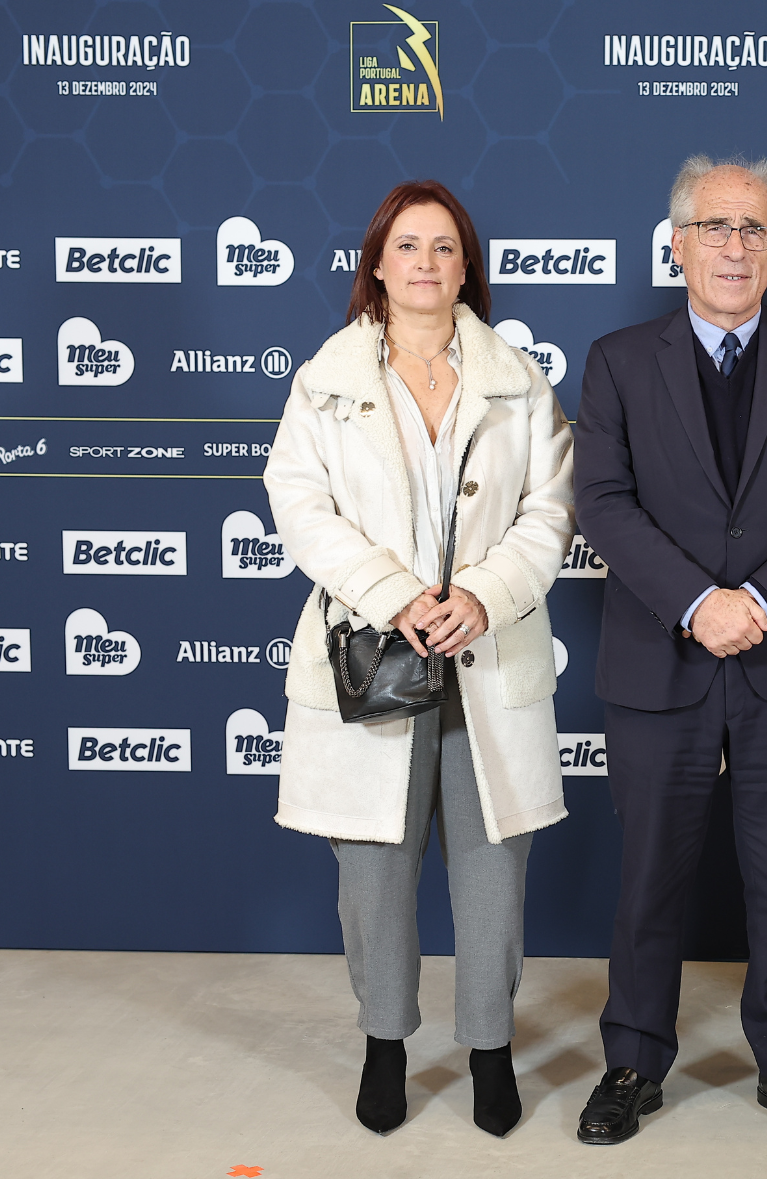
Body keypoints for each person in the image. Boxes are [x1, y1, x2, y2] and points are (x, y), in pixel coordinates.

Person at [570, 155, 767, 1144]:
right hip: (663, 656)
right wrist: (700, 602)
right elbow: (603, 505)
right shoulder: (619, 359)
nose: (734, 247)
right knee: (650, 872)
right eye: (715, 227)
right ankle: (631, 1059)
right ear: (678, 244)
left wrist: (763, 600)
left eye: (753, 229)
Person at [264, 180, 575, 1139]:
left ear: (466, 267)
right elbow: (299, 505)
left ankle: (490, 1051)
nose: (428, 264)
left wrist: (481, 596)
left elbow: (550, 511)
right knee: (375, 877)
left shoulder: (521, 381)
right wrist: (395, 595)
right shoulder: (324, 381)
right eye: (409, 246)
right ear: (377, 264)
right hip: (374, 657)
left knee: (492, 875)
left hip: (485, 657)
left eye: (446, 247)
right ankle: (384, 1046)